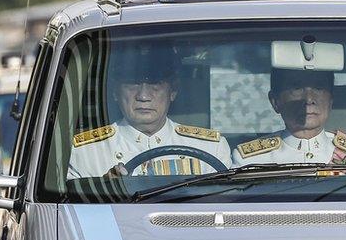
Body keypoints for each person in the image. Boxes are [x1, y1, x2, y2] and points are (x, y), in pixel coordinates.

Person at [68, 44, 231, 178]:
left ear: (172, 91)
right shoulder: (83, 153)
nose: (143, 96)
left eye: (155, 84)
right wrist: (103, 192)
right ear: (115, 92)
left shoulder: (211, 148)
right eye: (132, 84)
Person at [232, 67, 346, 173]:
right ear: (275, 101)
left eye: (318, 88)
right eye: (296, 88)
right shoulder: (249, 162)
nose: (309, 99)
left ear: (330, 101)